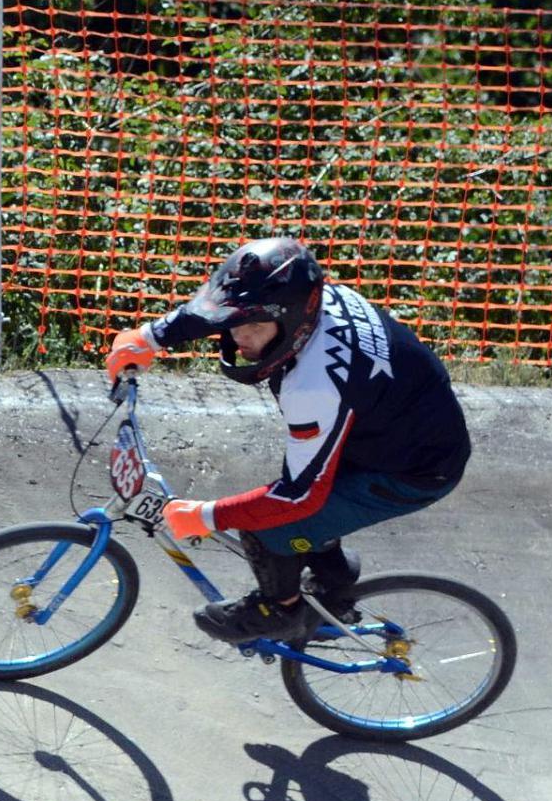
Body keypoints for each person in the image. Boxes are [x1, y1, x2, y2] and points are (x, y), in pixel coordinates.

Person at [104, 236, 471, 645]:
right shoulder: (307, 299)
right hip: (390, 423)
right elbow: (222, 307)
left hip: (414, 469)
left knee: (266, 526)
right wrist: (152, 336)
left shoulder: (314, 387)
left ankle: (279, 612)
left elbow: (298, 499)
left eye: (254, 326)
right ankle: (336, 579)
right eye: (236, 322)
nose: (238, 335)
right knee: (290, 507)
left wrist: (206, 516)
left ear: (292, 319)